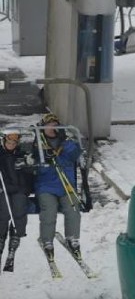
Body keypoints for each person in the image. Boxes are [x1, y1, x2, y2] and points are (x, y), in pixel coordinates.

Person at [32, 113, 83, 263]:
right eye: (49, 124)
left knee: (73, 207)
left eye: (55, 124)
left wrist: (64, 141)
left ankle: (72, 238)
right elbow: (34, 163)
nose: (52, 127)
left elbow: (76, 153)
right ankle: (47, 240)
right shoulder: (38, 144)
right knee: (49, 210)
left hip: (66, 184)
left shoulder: (67, 143)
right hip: (46, 185)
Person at [0, 129, 33, 269]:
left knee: (19, 210)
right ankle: (1, 239)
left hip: (20, 190)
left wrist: (28, 166)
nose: (12, 143)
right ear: (4, 140)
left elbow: (31, 177)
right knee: (3, 211)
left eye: (15, 141)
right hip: (4, 190)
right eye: (9, 140)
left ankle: (14, 240)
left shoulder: (22, 155)